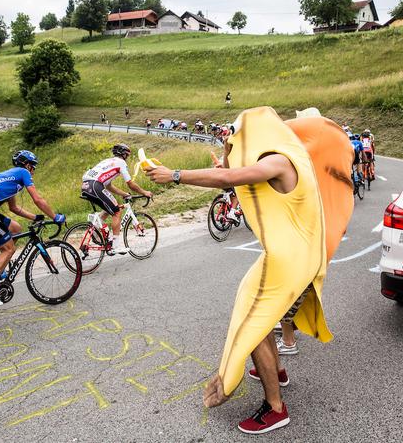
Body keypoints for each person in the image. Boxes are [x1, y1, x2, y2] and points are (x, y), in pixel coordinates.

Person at [146, 106, 353, 434]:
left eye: (239, 133)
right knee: (260, 316)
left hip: (288, 260)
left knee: (253, 325)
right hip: (290, 257)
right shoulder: (281, 158)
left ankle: (275, 408)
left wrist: (175, 175)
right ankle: (278, 372)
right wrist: (228, 152)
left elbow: (228, 178)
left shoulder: (279, 162)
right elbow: (229, 177)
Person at [0, 150, 65, 306]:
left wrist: (35, 217)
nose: (33, 170)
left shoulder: (12, 177)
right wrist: (54, 217)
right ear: (26, 164)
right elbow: (37, 199)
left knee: (16, 228)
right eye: (33, 166)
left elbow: (14, 208)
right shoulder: (23, 173)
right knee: (9, 249)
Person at [81, 144, 152, 255]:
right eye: (127, 155)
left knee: (111, 207)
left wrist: (124, 194)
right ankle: (115, 246)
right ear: (124, 154)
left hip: (87, 185)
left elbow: (109, 186)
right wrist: (144, 192)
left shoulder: (108, 161)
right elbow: (130, 183)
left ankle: (95, 232)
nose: (127, 158)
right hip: (95, 185)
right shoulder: (121, 163)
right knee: (117, 211)